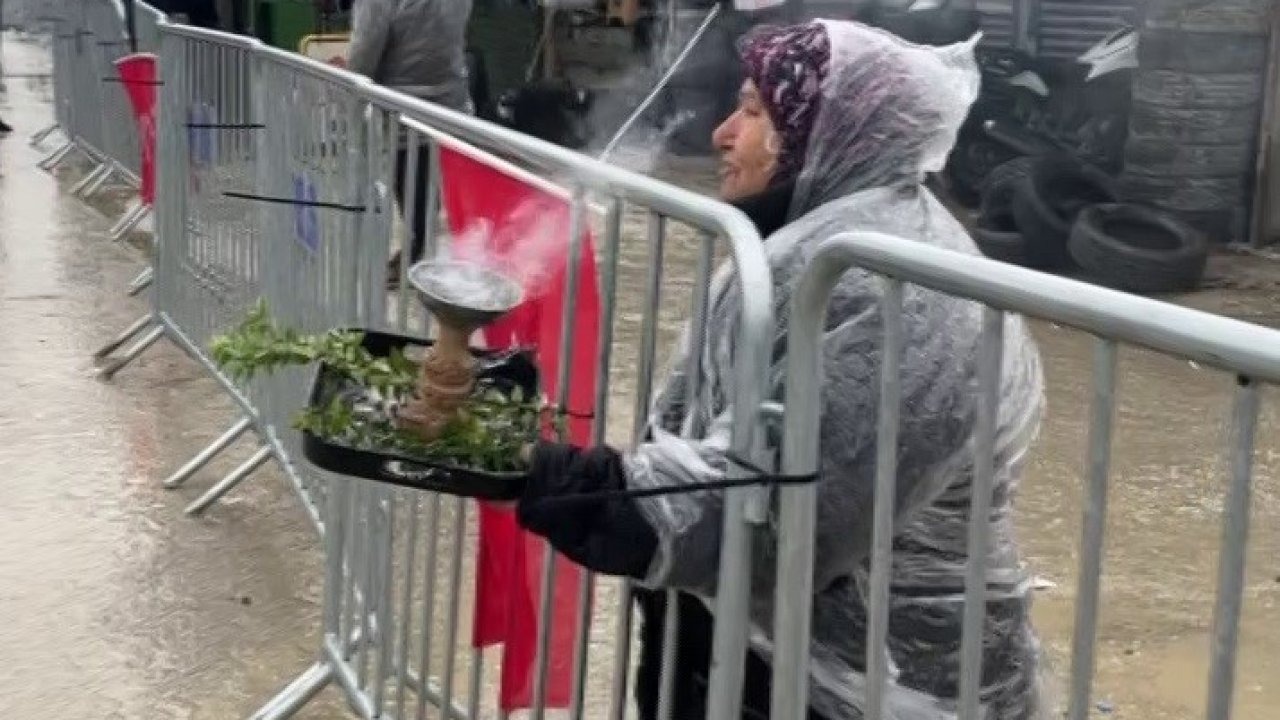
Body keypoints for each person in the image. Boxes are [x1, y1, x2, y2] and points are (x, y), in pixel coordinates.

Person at [516, 19, 1046, 720]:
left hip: (878, 685)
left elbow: (788, 517)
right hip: (770, 657)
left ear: (832, 130)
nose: (722, 134)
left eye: (755, 111)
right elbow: (715, 432)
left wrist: (567, 482)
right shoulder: (819, 241)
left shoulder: (900, 287)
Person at [345, 0, 473, 274]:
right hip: (452, 103)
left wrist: (350, 101)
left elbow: (364, 52)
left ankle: (419, 257)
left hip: (403, 107)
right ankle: (444, 256)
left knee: (412, 184)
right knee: (439, 187)